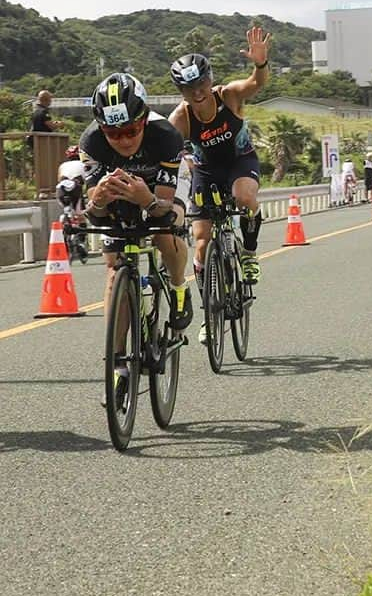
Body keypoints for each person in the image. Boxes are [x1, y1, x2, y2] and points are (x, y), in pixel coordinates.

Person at [81, 73, 191, 402]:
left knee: (164, 233)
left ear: (144, 119)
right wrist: (97, 199)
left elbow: (167, 210)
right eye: (114, 133)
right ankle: (118, 367)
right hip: (122, 194)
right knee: (114, 268)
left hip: (159, 190)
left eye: (131, 130)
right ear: (102, 130)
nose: (124, 140)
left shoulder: (166, 136)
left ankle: (178, 285)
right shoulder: (92, 144)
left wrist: (147, 200)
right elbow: (95, 213)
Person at [168, 25, 271, 323]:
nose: (198, 93)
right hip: (207, 171)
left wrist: (260, 62)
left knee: (243, 196)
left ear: (209, 80)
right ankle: (210, 316)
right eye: (189, 89)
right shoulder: (180, 118)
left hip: (240, 161)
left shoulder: (229, 96)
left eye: (201, 84)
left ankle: (249, 254)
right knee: (201, 243)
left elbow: (256, 82)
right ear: (181, 92)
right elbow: (165, 150)